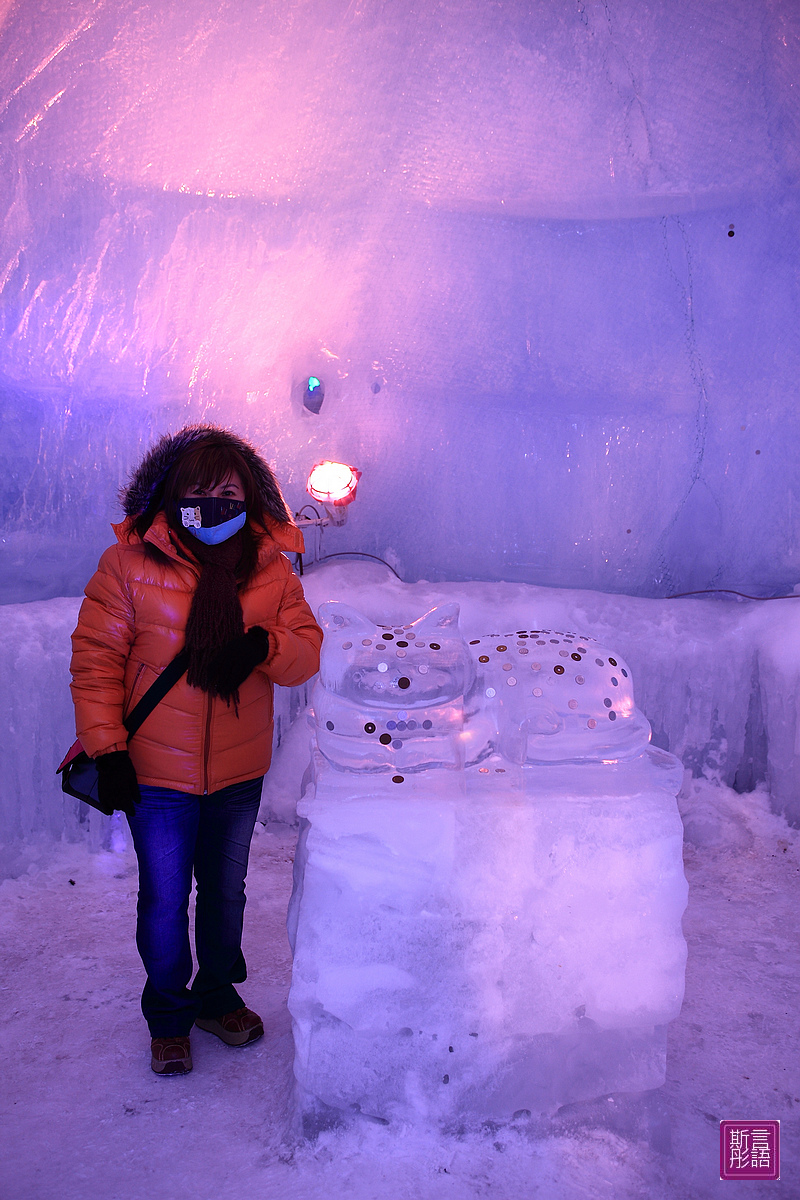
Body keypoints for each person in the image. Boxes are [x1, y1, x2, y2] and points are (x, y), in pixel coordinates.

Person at [69, 425, 322, 1075]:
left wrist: (264, 644)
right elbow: (97, 662)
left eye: (229, 493)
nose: (214, 507)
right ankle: (168, 1014)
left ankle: (214, 996)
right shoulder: (128, 567)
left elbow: (306, 653)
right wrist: (109, 748)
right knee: (162, 897)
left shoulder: (271, 568)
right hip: (155, 774)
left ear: (250, 497)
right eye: (199, 493)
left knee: (225, 895)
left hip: (238, 773)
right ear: (172, 496)